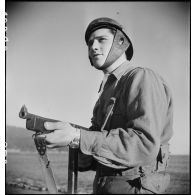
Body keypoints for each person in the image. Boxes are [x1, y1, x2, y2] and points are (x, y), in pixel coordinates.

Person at [39, 17, 173, 194]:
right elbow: (98, 154)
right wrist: (68, 140)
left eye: (101, 40)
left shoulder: (141, 78)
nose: (93, 47)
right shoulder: (107, 90)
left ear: (120, 42)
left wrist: (77, 137)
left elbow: (143, 145)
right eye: (90, 43)